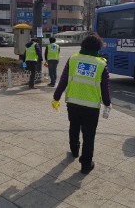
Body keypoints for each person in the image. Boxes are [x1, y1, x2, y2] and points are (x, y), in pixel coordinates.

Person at [53, 33, 111, 175]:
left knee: (74, 126)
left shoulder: (73, 59)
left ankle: (74, 150)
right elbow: (105, 89)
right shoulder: (102, 64)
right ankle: (86, 165)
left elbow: (63, 81)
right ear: (98, 47)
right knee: (89, 135)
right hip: (91, 107)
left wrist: (56, 97)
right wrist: (108, 104)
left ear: (82, 45)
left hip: (73, 103)